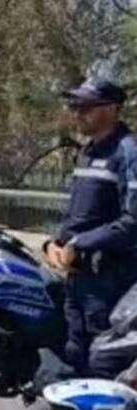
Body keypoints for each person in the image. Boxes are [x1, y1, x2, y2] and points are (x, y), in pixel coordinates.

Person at [43, 79, 137, 378]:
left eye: (86, 107)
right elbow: (79, 213)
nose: (77, 113)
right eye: (75, 106)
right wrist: (54, 243)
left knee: (102, 364)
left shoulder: (128, 152)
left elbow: (133, 221)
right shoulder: (87, 152)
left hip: (110, 280)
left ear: (112, 109)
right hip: (77, 277)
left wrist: (79, 243)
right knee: (73, 355)